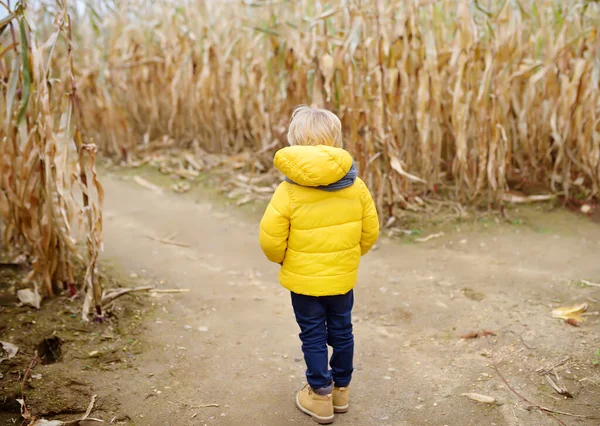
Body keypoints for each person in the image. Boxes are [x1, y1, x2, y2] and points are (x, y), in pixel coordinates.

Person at [259, 105, 380, 424]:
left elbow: (271, 240)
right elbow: (371, 231)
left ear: (294, 140)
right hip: (341, 279)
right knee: (342, 331)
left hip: (304, 282)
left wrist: (285, 259)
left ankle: (319, 396)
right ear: (334, 140)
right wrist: (349, 256)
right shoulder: (355, 184)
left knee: (312, 333)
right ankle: (342, 391)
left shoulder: (288, 190)